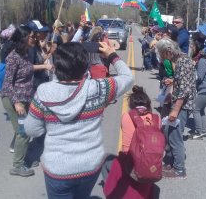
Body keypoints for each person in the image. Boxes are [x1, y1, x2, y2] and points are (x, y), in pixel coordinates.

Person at [24, 42, 133, 199]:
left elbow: (32, 130)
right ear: (85, 66)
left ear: (56, 64)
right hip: (90, 166)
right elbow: (128, 77)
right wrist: (112, 55)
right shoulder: (100, 88)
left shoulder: (43, 93)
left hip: (57, 169)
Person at [0, 26, 52, 177]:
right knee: (23, 132)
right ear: (22, 38)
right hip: (14, 100)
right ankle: (17, 165)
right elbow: (7, 85)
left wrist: (45, 65)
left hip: (26, 98)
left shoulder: (24, 54)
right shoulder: (13, 57)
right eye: (31, 36)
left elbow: (29, 68)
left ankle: (23, 157)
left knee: (27, 129)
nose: (34, 38)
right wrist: (16, 103)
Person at [103, 85, 160, 199]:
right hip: (150, 160)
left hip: (129, 158)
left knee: (105, 160)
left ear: (131, 105)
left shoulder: (126, 116)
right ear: (148, 105)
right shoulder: (156, 118)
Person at [156, 38, 196, 179]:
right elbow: (184, 80)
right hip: (181, 103)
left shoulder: (182, 62)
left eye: (161, 54)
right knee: (170, 133)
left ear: (168, 51)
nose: (161, 58)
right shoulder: (181, 60)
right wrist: (173, 81)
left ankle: (179, 170)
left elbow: (184, 90)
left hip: (183, 105)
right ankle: (172, 163)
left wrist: (174, 110)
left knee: (175, 136)